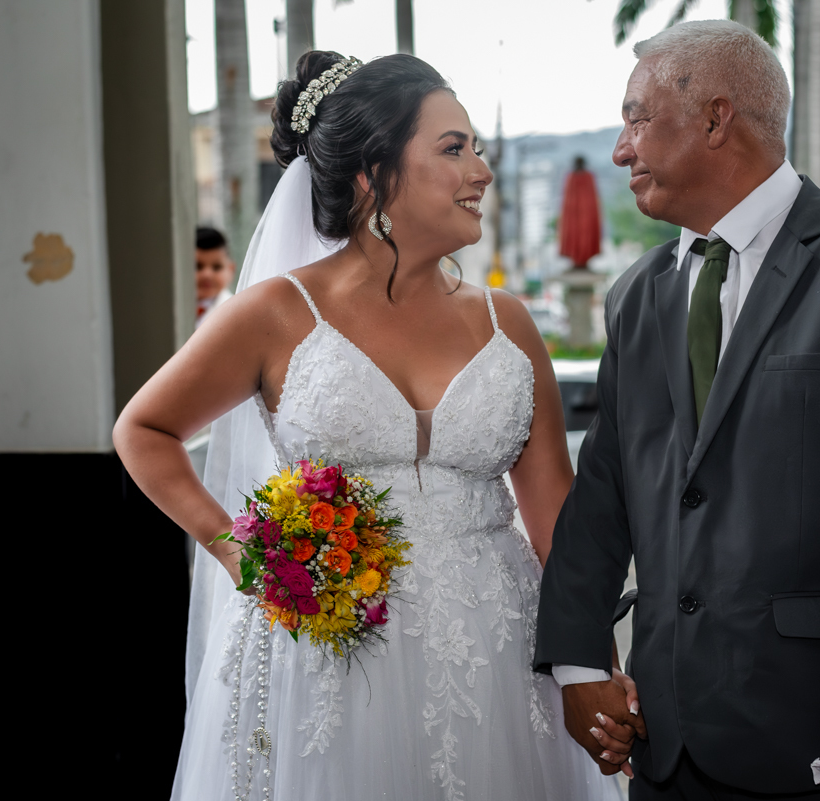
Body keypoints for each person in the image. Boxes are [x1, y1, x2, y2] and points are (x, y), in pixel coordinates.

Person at [114, 52, 623, 801]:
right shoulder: (276, 313)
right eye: (453, 148)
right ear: (371, 173)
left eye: (478, 148)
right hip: (325, 650)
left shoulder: (507, 321)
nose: (481, 171)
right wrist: (244, 557)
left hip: (494, 646)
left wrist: (592, 666)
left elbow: (555, 519)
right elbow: (144, 428)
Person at [534, 20, 820, 800]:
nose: (621, 149)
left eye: (637, 119)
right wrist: (576, 662)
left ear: (715, 119)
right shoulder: (637, 294)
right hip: (663, 741)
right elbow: (602, 495)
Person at [195, 226, 235, 328]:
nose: (207, 275)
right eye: (198, 266)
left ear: (231, 270)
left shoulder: (236, 312)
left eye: (217, 267)